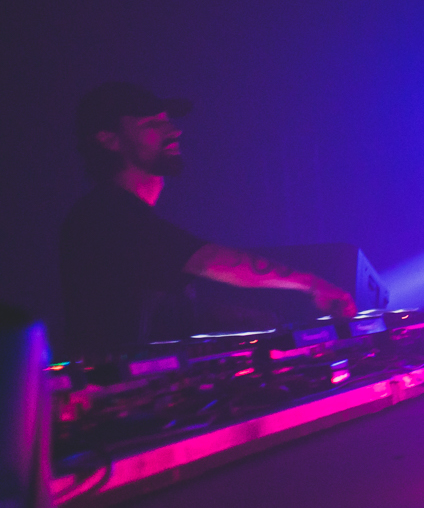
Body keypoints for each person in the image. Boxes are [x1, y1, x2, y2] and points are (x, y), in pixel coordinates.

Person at [60, 83, 355, 357]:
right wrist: (313, 284)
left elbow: (144, 318)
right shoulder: (105, 216)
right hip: (112, 394)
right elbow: (208, 259)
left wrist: (224, 319)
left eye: (167, 121)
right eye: (151, 124)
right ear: (109, 140)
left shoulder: (127, 217)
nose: (174, 131)